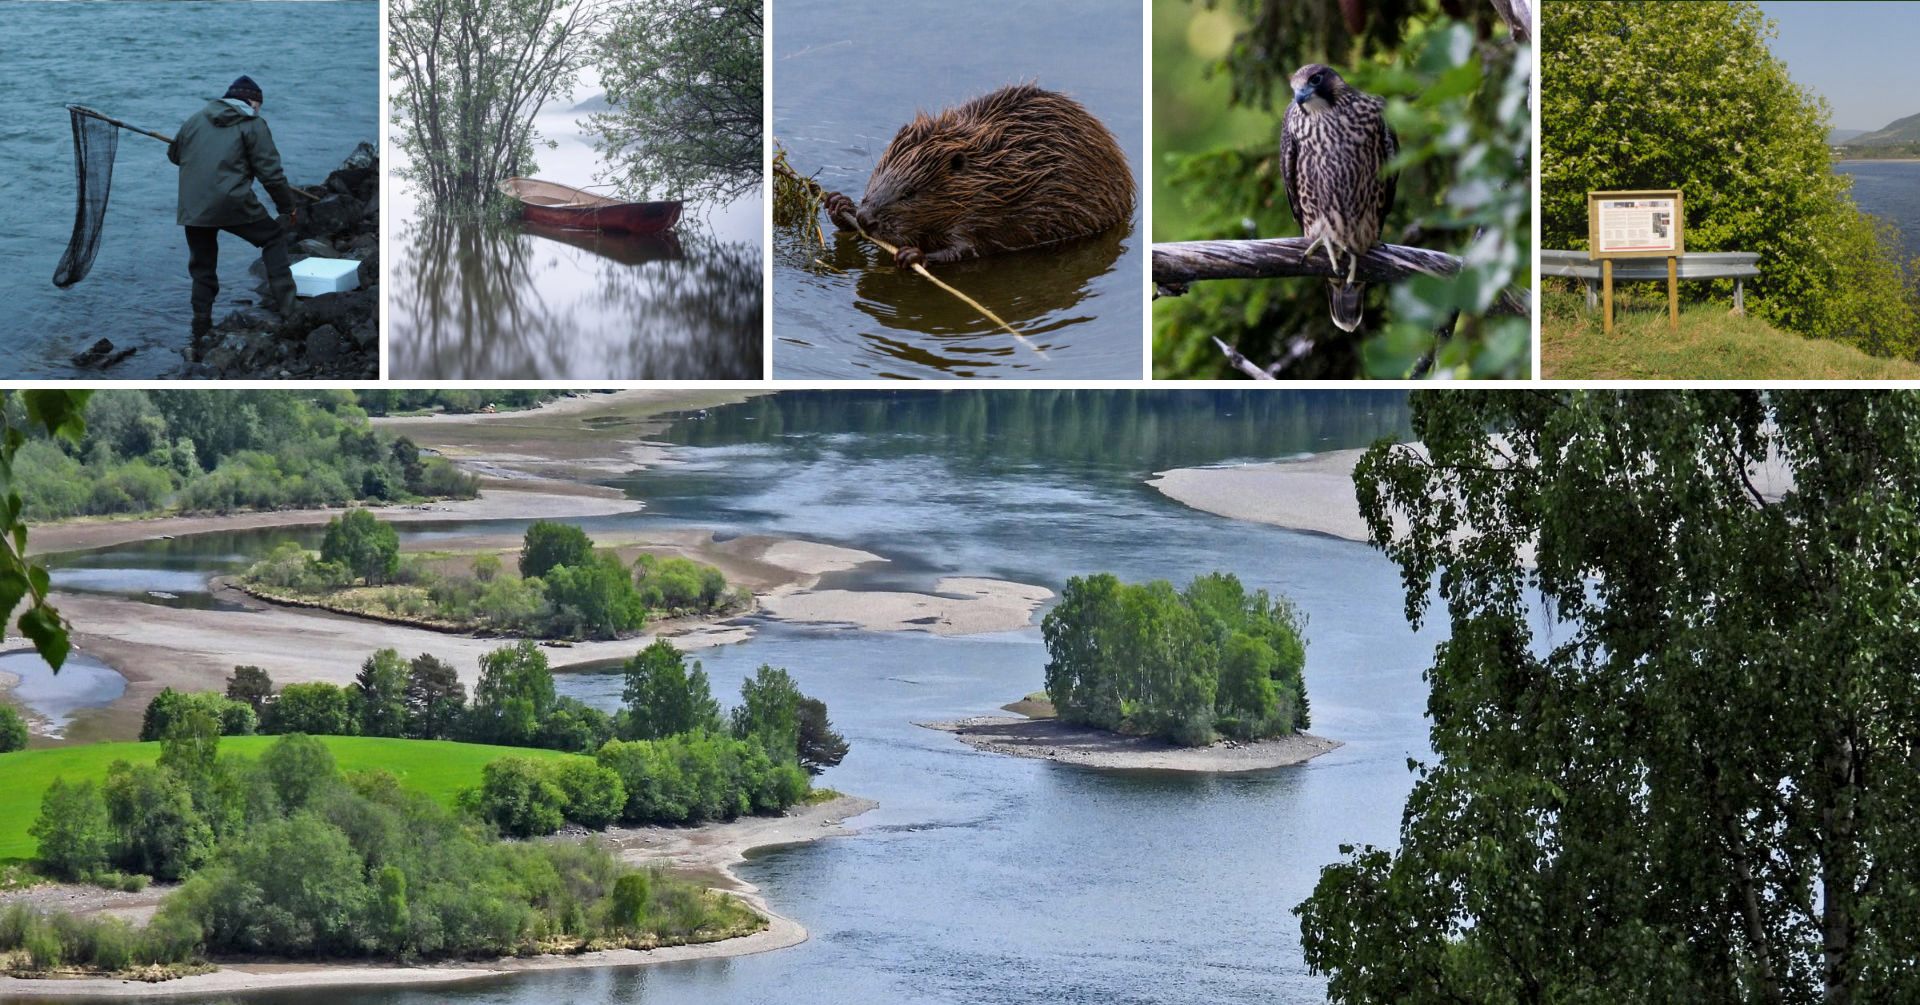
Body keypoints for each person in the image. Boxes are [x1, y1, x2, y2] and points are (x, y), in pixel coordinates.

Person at [167, 75, 299, 336]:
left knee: (202, 265)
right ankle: (290, 311)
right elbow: (271, 174)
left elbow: (174, 156)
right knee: (273, 237)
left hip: (193, 207)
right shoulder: (252, 124)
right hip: (232, 202)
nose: (258, 110)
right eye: (258, 105)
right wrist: (288, 207)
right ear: (251, 101)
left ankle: (201, 324)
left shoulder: (195, 120)